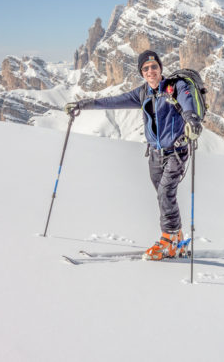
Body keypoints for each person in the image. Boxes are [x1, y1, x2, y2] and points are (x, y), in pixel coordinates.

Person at [64, 50, 202, 261]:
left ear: (160, 68)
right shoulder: (143, 93)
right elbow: (112, 101)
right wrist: (82, 105)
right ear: (141, 72)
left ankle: (168, 240)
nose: (150, 71)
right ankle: (178, 238)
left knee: (165, 192)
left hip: (176, 151)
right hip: (155, 154)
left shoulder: (175, 87)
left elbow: (187, 103)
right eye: (145, 69)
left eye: (154, 66)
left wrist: (192, 119)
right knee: (165, 196)